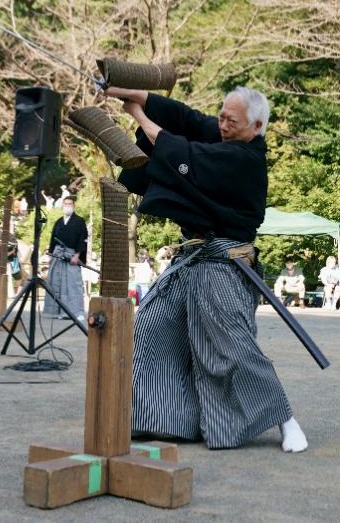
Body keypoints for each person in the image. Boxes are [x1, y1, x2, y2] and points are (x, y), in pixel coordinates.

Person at [105, 84, 308, 453]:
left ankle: (285, 419)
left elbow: (181, 151)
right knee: (153, 328)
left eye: (232, 120)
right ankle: (163, 419)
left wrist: (135, 114)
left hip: (224, 261)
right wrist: (130, 92)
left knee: (228, 345)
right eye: (222, 116)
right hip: (191, 258)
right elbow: (184, 118)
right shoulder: (223, 134)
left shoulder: (245, 160)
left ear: (256, 126)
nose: (222, 125)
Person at [44, 196, 88, 322]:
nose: (67, 206)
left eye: (70, 204)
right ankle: (60, 311)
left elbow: (83, 239)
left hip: (72, 254)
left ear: (73, 205)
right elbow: (52, 239)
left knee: (73, 284)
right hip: (58, 255)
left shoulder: (79, 221)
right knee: (57, 283)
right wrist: (51, 256)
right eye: (65, 204)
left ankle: (77, 311)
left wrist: (77, 255)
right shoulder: (58, 221)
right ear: (62, 205)